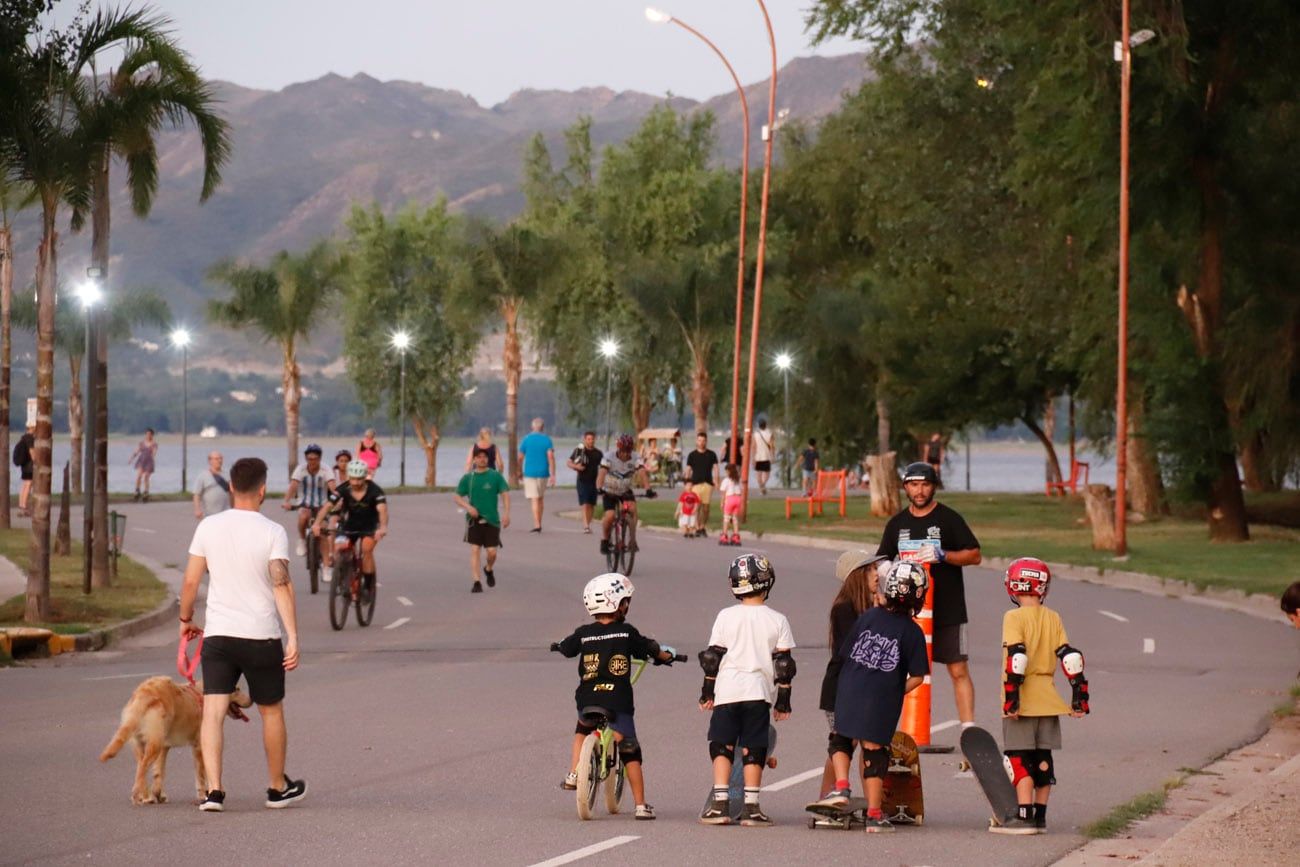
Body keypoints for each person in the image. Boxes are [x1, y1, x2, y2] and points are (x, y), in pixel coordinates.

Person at [177, 457, 306, 813]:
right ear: (263, 490)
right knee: (271, 712)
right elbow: (281, 584)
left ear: (231, 487)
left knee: (213, 712)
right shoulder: (273, 532)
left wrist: (185, 619)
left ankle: (214, 792)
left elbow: (190, 581)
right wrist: (292, 636)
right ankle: (276, 788)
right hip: (261, 636)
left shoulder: (208, 527)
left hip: (219, 636)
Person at [551, 573, 679, 820]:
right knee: (629, 748)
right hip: (617, 700)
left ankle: (574, 773)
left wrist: (558, 646)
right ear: (620, 604)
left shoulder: (584, 632)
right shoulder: (626, 633)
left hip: (587, 698)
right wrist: (667, 657)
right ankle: (641, 805)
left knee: (582, 729)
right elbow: (650, 649)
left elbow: (566, 648)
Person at [818, 561, 930, 832]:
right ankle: (874, 815)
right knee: (874, 752)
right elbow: (918, 676)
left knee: (841, 739)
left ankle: (841, 786)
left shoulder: (868, 617)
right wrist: (895, 690)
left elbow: (845, 653)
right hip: (881, 699)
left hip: (850, 689)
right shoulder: (913, 632)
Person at [876, 461, 982, 730]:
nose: (919, 491)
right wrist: (885, 569)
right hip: (907, 613)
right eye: (914, 485)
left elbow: (974, 554)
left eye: (925, 485)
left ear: (934, 487)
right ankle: (890, 727)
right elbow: (882, 558)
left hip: (948, 609)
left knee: (958, 669)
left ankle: (968, 729)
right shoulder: (897, 524)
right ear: (905, 488)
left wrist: (943, 555)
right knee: (897, 670)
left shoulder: (948, 519)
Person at [698, 554, 796, 827]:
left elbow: (712, 658)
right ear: (766, 582)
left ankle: (720, 805)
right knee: (754, 746)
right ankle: (751, 808)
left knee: (722, 744)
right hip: (758, 693)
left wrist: (707, 693)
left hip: (727, 691)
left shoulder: (725, 616)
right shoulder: (778, 619)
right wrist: (783, 702)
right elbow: (784, 666)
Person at [996, 557, 1090, 835]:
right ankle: (1040, 817)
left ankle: (1023, 816)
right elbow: (1070, 658)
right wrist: (1079, 698)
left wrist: (1012, 700)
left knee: (1018, 758)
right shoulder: (1053, 617)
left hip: (1022, 699)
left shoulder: (1013, 617)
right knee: (1042, 758)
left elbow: (1017, 658)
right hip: (1049, 699)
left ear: (1014, 585)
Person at [817, 550, 889, 798]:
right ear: (856, 576)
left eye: (876, 568)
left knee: (865, 743)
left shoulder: (871, 607)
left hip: (864, 688)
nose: (877, 574)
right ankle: (828, 796)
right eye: (870, 570)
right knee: (845, 743)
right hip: (841, 688)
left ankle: (871, 801)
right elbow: (856, 649)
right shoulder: (844, 609)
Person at [312, 459, 388, 592]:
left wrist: (382, 528)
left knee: (366, 550)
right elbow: (327, 506)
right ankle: (344, 574)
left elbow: (382, 510)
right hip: (350, 525)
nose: (356, 483)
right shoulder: (343, 489)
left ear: (365, 477)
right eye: (353, 479)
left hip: (370, 526)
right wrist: (317, 524)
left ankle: (368, 586)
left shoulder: (375, 491)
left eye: (359, 479)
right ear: (349, 476)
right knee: (339, 547)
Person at [453, 447, 510, 594]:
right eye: (479, 457)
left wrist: (506, 514)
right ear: (474, 460)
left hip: (492, 520)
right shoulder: (468, 478)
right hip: (474, 520)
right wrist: (468, 507)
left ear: (488, 459)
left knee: (492, 553)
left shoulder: (495, 476)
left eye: (484, 457)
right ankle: (476, 582)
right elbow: (457, 496)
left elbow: (505, 494)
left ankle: (488, 569)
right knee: (475, 549)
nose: (482, 459)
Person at [597, 433, 652, 557]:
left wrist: (648, 489)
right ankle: (605, 540)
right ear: (618, 449)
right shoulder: (609, 457)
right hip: (609, 490)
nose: (626, 454)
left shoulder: (636, 457)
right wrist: (599, 487)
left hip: (625, 490)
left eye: (628, 451)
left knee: (632, 510)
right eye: (623, 451)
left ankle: (632, 539)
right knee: (610, 516)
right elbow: (602, 473)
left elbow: (642, 472)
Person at [282, 444, 330, 559]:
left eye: (315, 459)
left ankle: (326, 564)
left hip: (322, 505)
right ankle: (302, 539)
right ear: (306, 458)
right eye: (309, 459)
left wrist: (337, 500)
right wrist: (286, 501)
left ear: (320, 458)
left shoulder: (326, 469)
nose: (312, 462)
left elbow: (332, 485)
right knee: (303, 516)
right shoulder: (300, 469)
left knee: (323, 531)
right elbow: (293, 485)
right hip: (304, 504)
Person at [517, 418, 555, 532]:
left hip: (529, 473)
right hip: (543, 472)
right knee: (540, 498)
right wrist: (553, 474)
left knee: (534, 499)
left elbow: (520, 458)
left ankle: (537, 524)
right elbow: (550, 457)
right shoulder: (547, 440)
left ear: (532, 427)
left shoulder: (526, 439)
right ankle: (539, 522)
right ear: (542, 428)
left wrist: (519, 471)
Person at [684, 432, 720, 537]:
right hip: (695, 484)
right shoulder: (692, 455)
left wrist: (716, 481)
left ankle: (703, 526)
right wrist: (687, 483)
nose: (701, 443)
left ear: (706, 441)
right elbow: (688, 469)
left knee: (706, 507)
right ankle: (697, 527)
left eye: (703, 441)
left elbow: (716, 468)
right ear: (696, 441)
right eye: (699, 440)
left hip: (708, 483)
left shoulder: (711, 454)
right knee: (696, 506)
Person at [566, 431, 602, 534]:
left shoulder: (598, 453)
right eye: (589, 439)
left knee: (591, 504)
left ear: (595, 439)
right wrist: (576, 466)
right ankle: (585, 525)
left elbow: (603, 467)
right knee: (585, 503)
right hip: (582, 481)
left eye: (592, 439)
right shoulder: (579, 451)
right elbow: (568, 462)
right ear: (585, 440)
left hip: (594, 481)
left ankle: (588, 525)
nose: (591, 441)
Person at [193, 451, 230, 519]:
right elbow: (197, 494)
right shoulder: (203, 476)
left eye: (221, 458)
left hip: (226, 512)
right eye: (216, 459)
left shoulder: (228, 475)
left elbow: (232, 493)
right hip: (210, 514)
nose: (219, 461)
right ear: (210, 461)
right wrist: (197, 509)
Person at [128, 428, 158, 502]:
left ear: (152, 435)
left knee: (146, 477)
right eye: (147, 434)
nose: (148, 436)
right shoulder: (142, 443)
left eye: (150, 434)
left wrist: (153, 456)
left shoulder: (154, 444)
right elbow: (137, 451)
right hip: (141, 461)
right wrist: (131, 459)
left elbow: (154, 452)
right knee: (139, 476)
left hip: (149, 462)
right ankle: (137, 490)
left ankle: (146, 492)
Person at [718, 463, 744, 547]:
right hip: (738, 499)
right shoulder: (738, 480)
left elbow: (723, 492)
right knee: (735, 519)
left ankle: (724, 535)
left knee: (726, 518)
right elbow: (741, 490)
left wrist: (722, 502)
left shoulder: (726, 480)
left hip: (730, 499)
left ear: (728, 471)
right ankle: (736, 536)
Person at [13, 424, 34, 516]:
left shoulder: (23, 438)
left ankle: (21, 505)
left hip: (24, 465)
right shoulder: (30, 438)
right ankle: (24, 507)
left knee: (25, 484)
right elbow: (32, 452)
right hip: (29, 465)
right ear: (32, 428)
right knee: (28, 484)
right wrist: (37, 462)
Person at [752, 420, 775, 495]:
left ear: (759, 425)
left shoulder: (755, 434)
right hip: (767, 456)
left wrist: (753, 458)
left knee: (758, 473)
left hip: (758, 456)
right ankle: (763, 485)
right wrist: (772, 456)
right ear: (766, 425)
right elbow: (772, 446)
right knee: (767, 473)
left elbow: (754, 446)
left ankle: (761, 487)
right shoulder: (770, 434)